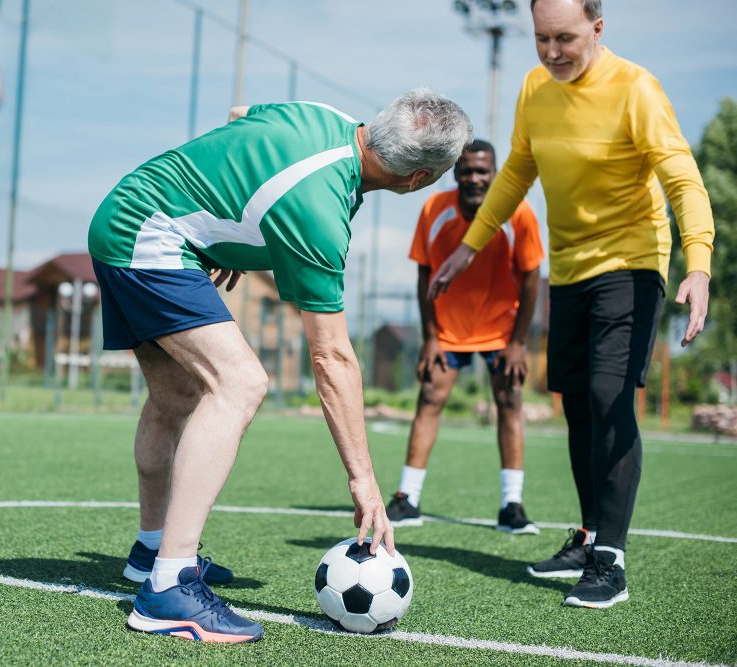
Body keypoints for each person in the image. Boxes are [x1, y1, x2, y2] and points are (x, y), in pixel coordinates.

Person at [88, 90, 473, 642]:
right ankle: (168, 590)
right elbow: (332, 357)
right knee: (240, 383)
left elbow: (239, 119)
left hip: (129, 216)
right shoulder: (319, 213)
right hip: (151, 238)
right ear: (420, 179)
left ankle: (150, 552)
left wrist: (229, 232)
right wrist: (364, 481)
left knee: (175, 397)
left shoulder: (323, 115)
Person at [430, 0, 714, 609]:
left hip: (633, 264)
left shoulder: (636, 89)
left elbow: (682, 179)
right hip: (572, 272)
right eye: (541, 38)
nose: (552, 52)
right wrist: (468, 248)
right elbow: (517, 174)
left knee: (611, 398)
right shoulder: (535, 87)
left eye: (564, 38)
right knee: (579, 405)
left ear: (597, 28)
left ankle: (610, 559)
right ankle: (588, 535)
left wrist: (699, 265)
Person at [386, 139, 544, 535]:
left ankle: (512, 505)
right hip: (448, 330)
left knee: (509, 401)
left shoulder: (518, 212)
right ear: (455, 173)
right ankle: (408, 499)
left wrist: (519, 342)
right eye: (467, 170)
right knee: (430, 397)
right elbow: (424, 272)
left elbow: (531, 279)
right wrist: (430, 337)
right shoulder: (435, 210)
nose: (475, 177)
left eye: (482, 171)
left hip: (501, 331)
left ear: (494, 173)